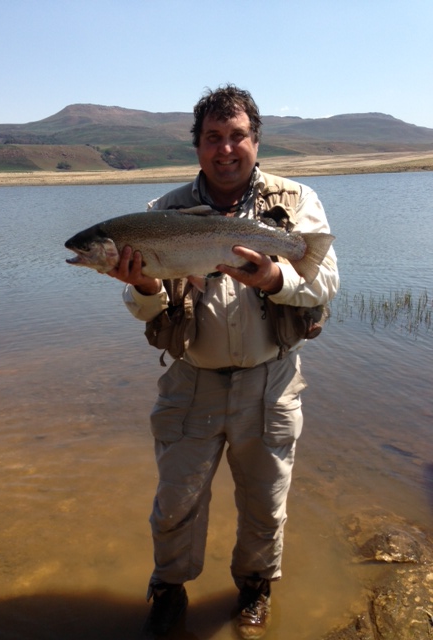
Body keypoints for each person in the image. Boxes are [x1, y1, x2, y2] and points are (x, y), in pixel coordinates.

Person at [107, 85, 339, 639]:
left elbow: (326, 280)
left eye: (237, 136)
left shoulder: (295, 200)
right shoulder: (160, 216)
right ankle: (169, 591)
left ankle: (255, 590)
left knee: (266, 505)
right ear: (198, 145)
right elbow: (146, 311)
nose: (226, 149)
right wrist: (141, 285)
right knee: (174, 505)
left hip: (272, 382)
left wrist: (275, 277)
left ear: (256, 141)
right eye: (213, 138)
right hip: (192, 383)